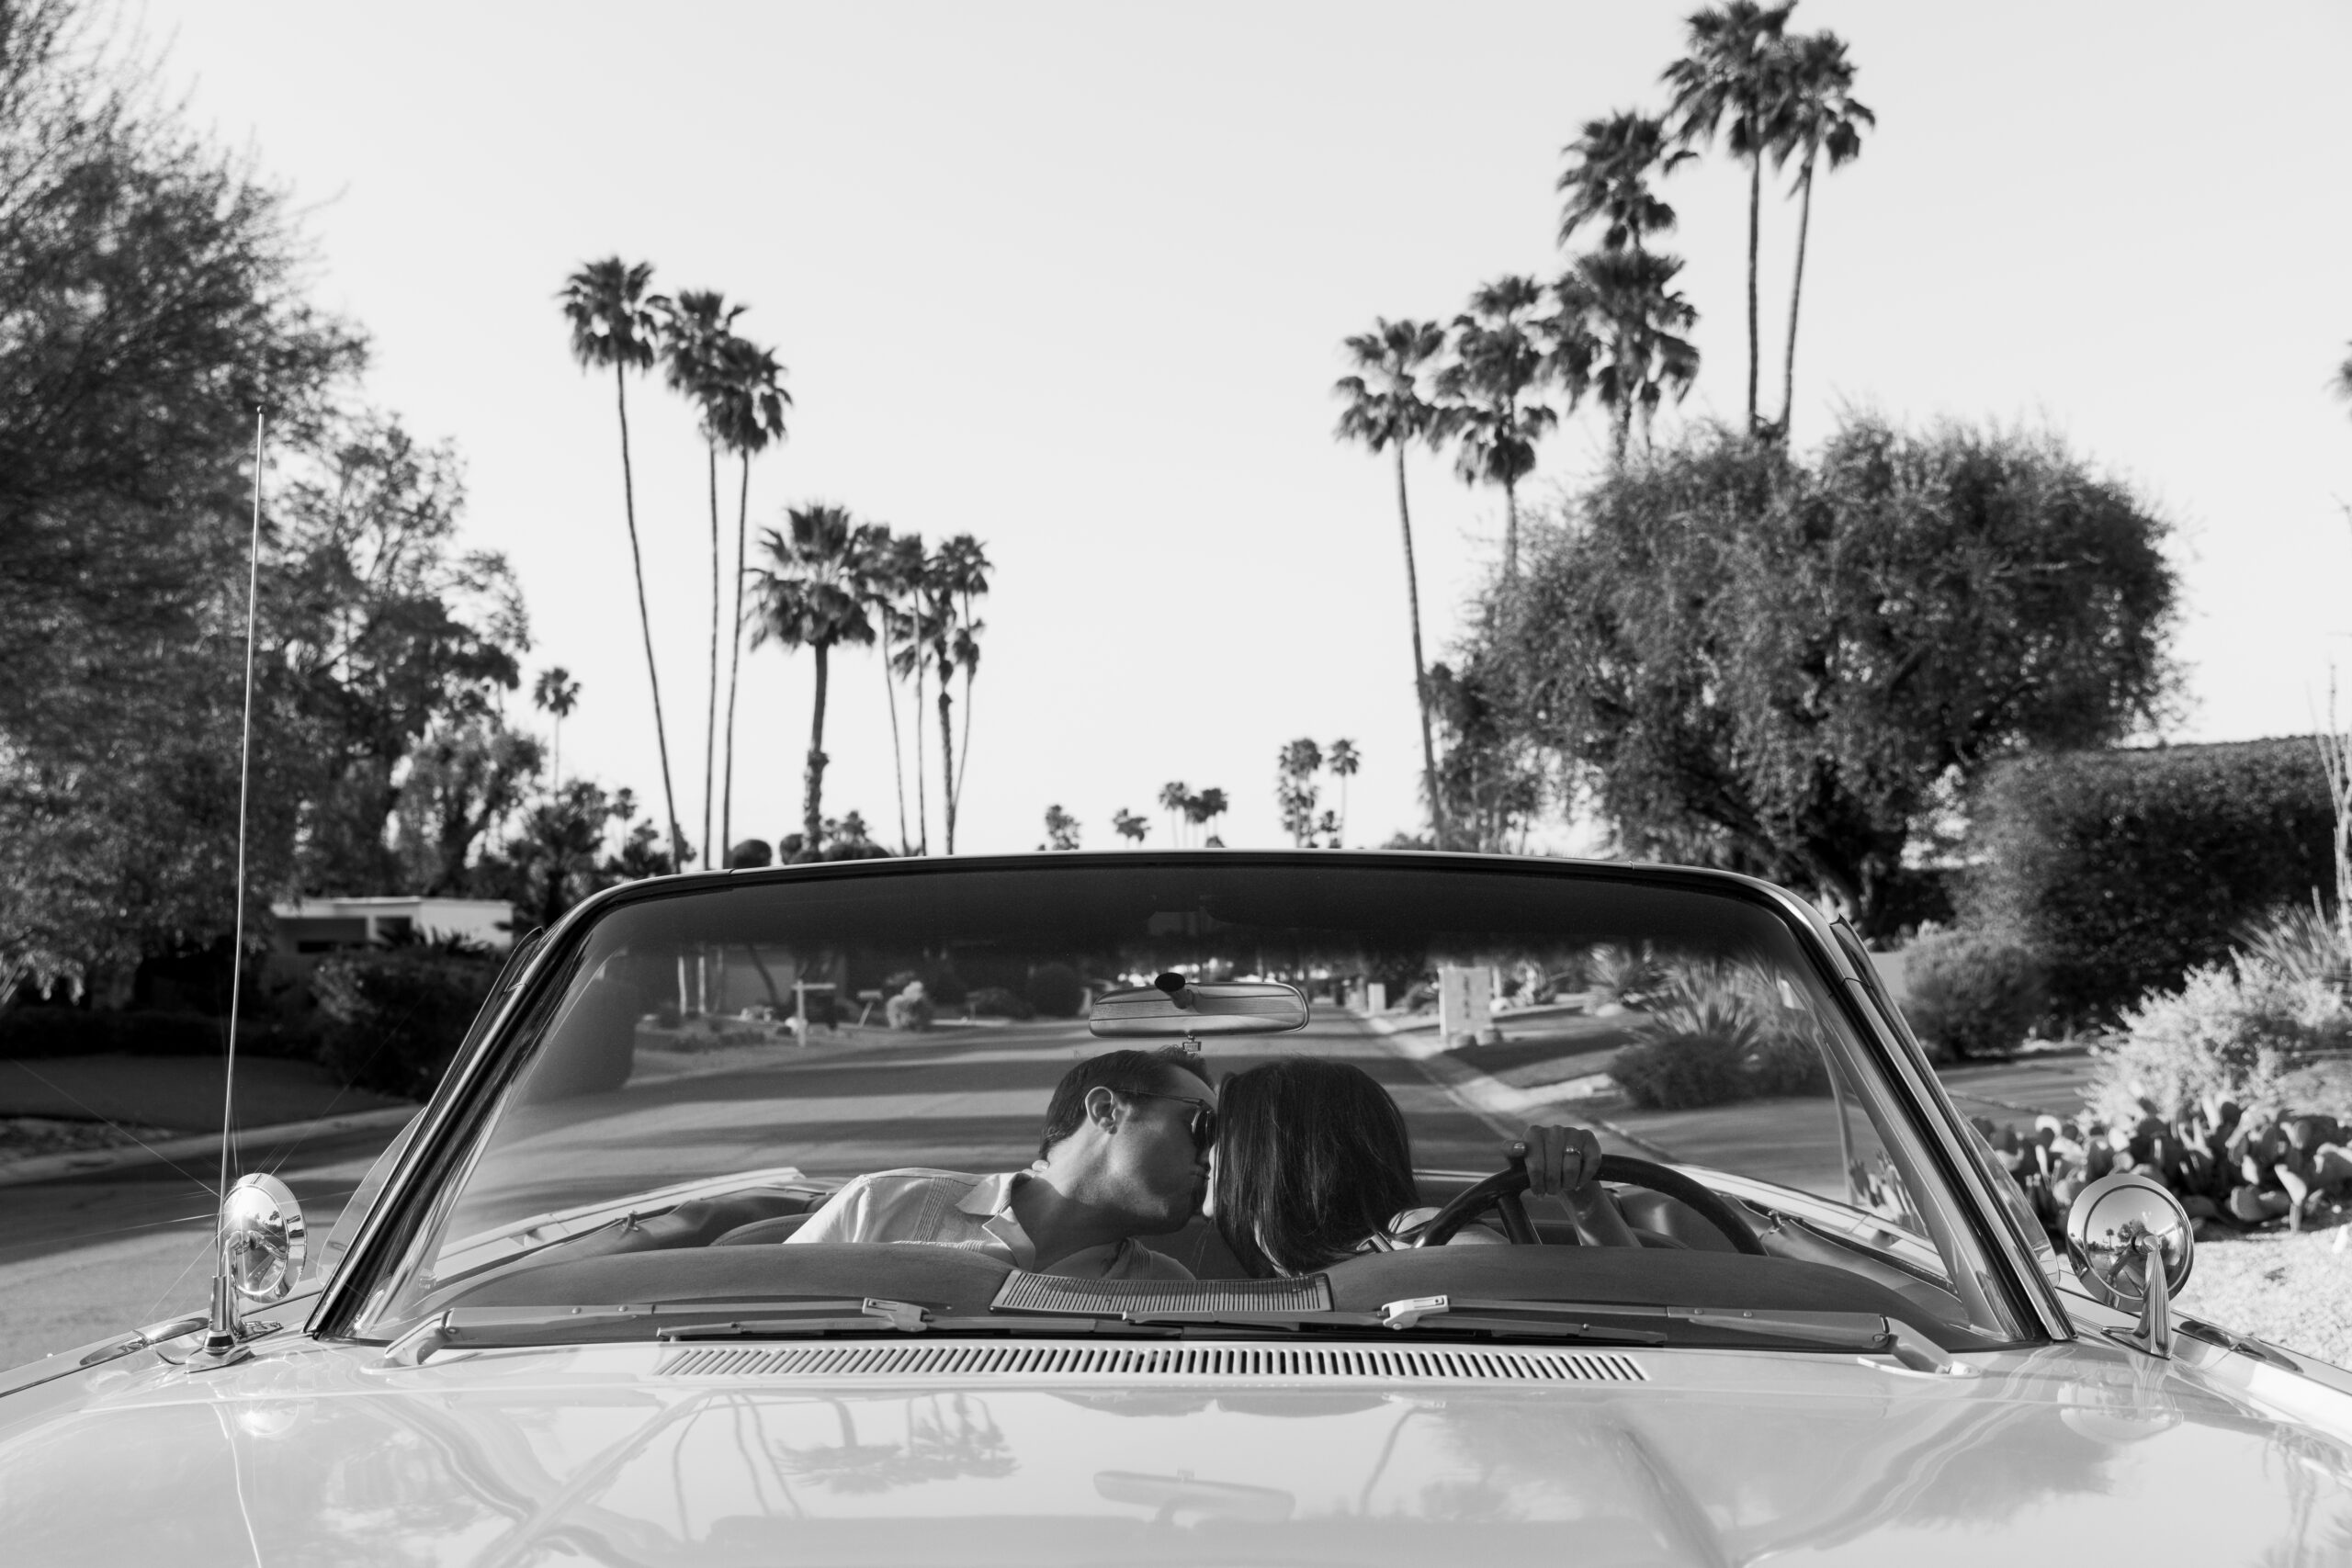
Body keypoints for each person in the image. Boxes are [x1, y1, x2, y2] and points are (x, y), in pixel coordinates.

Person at [787, 1044, 1214, 1279]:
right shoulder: (882, 1202)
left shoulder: (1167, 1288)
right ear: (1106, 1110)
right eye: (1201, 1125)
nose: (1212, 1156)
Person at [1208, 1056, 1633, 1278]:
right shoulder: (1279, 1253)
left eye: (1217, 1131)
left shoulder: (1435, 1249)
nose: (1206, 1149)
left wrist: (1581, 1190)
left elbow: (1621, 1321)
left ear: (1273, 1156)